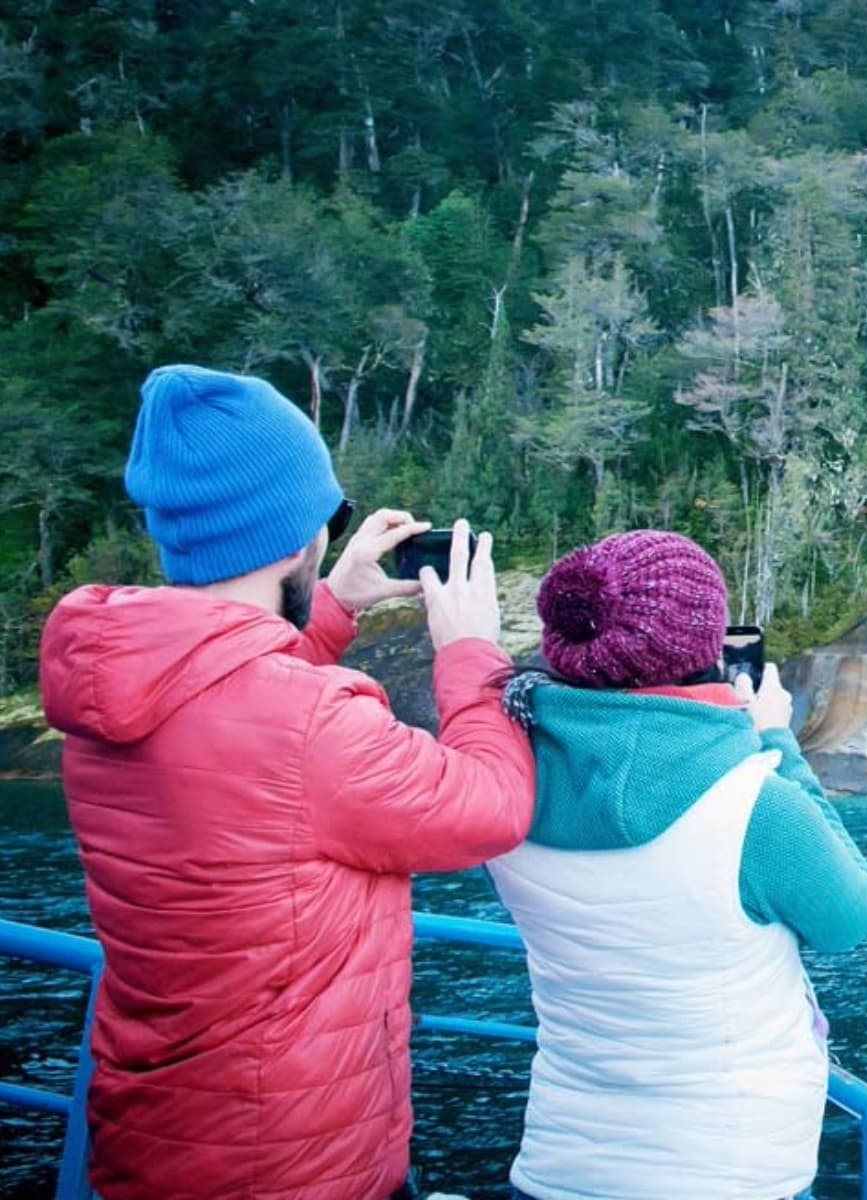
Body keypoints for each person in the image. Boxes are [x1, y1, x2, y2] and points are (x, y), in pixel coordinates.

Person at [38, 364, 537, 1200]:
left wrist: (333, 603)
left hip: (161, 1139)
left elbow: (236, 724)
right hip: (294, 1163)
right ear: (298, 536)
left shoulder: (109, 689)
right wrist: (471, 653)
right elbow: (490, 805)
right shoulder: (306, 725)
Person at [488, 530, 867, 1200]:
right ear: (704, 648)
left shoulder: (502, 788)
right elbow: (852, 918)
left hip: (559, 1168)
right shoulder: (752, 805)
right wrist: (775, 740)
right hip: (729, 1174)